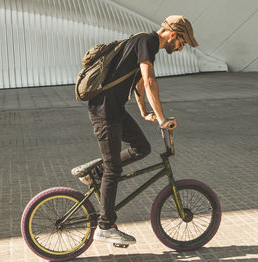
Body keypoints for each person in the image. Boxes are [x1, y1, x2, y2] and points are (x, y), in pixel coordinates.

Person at [80, 15, 198, 245]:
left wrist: (144, 112)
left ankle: (95, 172)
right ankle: (105, 226)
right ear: (173, 34)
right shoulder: (147, 41)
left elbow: (138, 84)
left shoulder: (144, 44)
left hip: (114, 110)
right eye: (182, 43)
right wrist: (162, 119)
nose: (181, 48)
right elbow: (149, 80)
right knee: (113, 170)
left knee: (141, 147)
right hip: (104, 111)